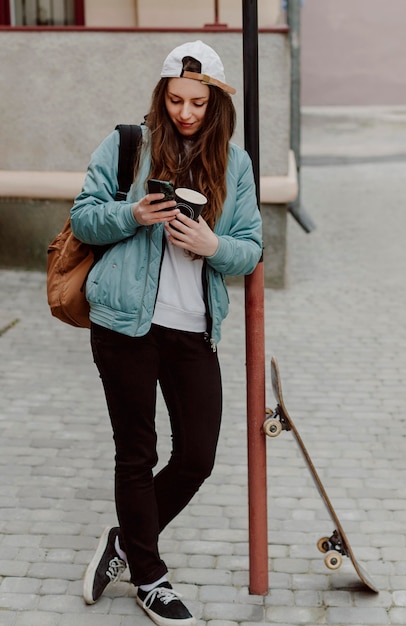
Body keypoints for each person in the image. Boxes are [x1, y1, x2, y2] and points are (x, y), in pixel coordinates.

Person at [70, 40, 263, 626]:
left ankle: (126, 543)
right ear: (162, 95)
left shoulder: (235, 164)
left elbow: (251, 249)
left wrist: (213, 247)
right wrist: (132, 214)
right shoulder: (129, 144)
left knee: (198, 455)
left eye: (198, 102)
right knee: (136, 454)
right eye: (176, 99)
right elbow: (82, 215)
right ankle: (150, 578)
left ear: (217, 103)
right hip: (125, 326)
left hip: (192, 330)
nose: (185, 112)